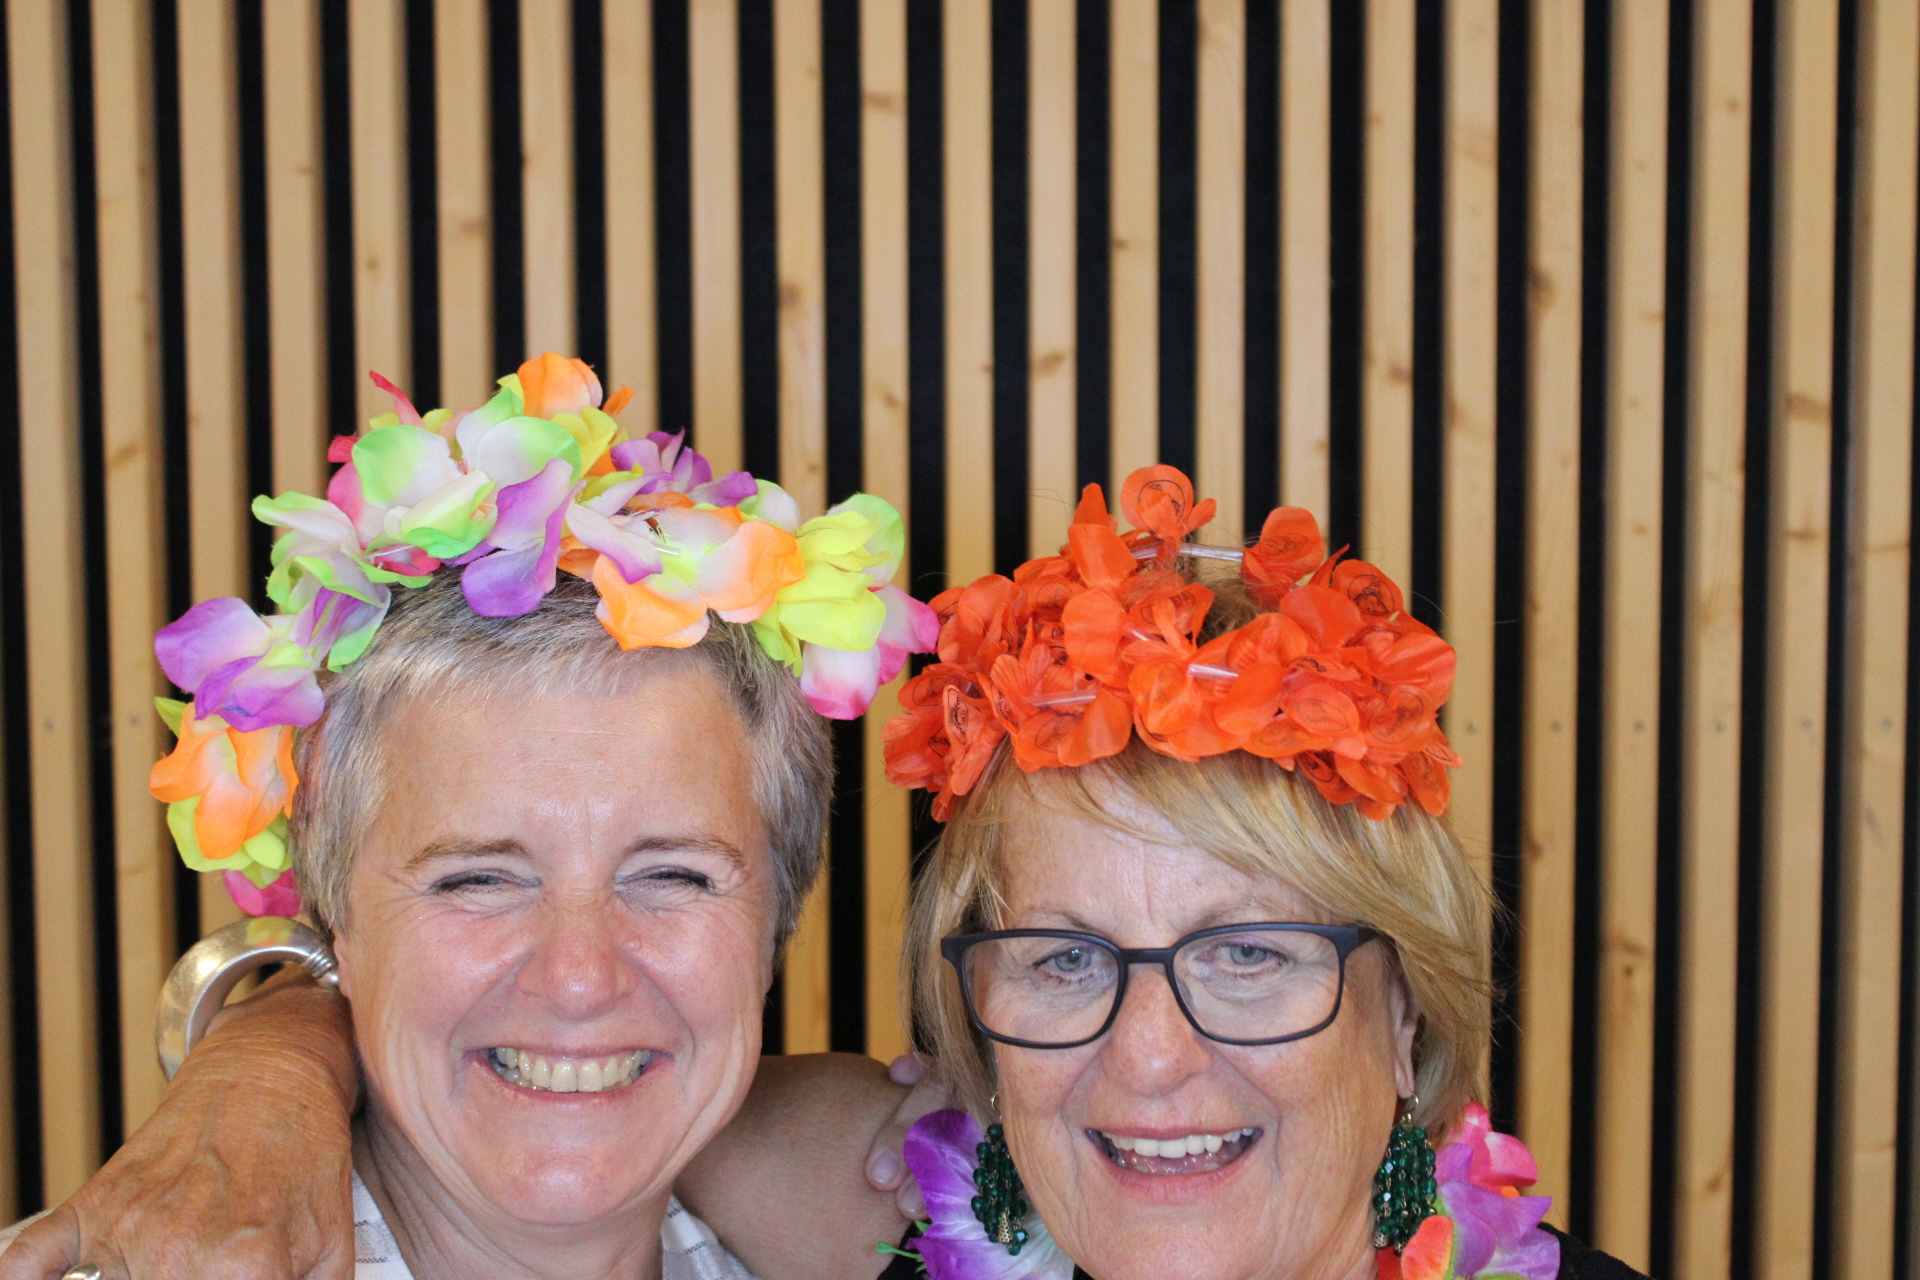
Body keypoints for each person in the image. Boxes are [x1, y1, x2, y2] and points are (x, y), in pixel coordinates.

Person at [6, 454, 1645, 1280]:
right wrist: (272, 1039)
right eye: (1064, 959)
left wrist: (265, 1036)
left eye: (1252, 954)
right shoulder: (895, 1214)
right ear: (978, 1033)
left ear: (1411, 1017)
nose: (1151, 1058)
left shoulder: (777, 1215)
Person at [0, 356, 937, 1280]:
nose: (579, 979)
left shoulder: (889, 1224)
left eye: (672, 875)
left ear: (776, 919)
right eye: (478, 878)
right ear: (337, 917)